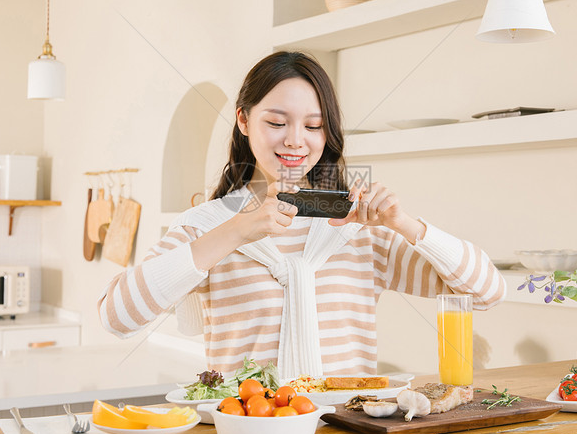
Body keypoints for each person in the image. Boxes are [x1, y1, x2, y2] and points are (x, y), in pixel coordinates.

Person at [98, 51, 506, 379]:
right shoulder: (205, 226)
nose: (296, 141)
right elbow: (116, 317)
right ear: (243, 119)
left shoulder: (355, 228)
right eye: (277, 122)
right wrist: (237, 231)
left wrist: (404, 223)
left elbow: (487, 291)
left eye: (314, 126)